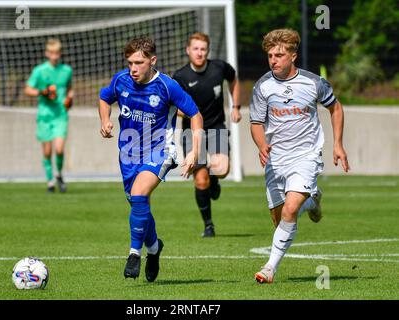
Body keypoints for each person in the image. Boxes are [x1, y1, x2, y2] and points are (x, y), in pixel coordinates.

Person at [99, 36, 203, 281]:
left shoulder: (167, 86)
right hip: (128, 154)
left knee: (139, 195)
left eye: (139, 62)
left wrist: (195, 150)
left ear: (152, 60)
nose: (133, 68)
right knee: (138, 203)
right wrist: (104, 119)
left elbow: (195, 114)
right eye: (130, 63)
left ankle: (134, 253)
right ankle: (154, 249)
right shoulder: (120, 80)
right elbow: (104, 98)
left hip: (160, 151)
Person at [249, 29, 350, 284]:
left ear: (293, 56)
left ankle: (270, 268)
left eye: (280, 55)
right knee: (280, 218)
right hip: (276, 159)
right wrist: (262, 145)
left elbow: (335, 108)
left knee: (290, 210)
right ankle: (313, 201)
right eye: (270, 55)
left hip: (306, 155)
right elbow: (256, 122)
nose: (274, 60)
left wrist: (338, 144)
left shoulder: (313, 82)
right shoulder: (263, 86)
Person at [173, 32, 241, 237]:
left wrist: (235, 106)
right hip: (191, 132)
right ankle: (208, 225)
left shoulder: (219, 68)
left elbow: (234, 80)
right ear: (188, 50)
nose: (199, 53)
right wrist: (190, 114)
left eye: (203, 49)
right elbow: (172, 105)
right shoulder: (180, 76)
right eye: (196, 48)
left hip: (216, 126)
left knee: (221, 169)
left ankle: (215, 181)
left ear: (208, 51)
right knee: (200, 180)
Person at [25, 38, 74, 193]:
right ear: (47, 53)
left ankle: (58, 174)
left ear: (60, 54)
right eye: (51, 53)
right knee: (47, 151)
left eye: (57, 53)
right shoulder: (39, 71)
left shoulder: (67, 70)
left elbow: (70, 89)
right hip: (45, 115)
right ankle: (50, 182)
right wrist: (42, 92)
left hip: (60, 114)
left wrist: (69, 98)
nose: (54, 56)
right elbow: (28, 89)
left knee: (59, 149)